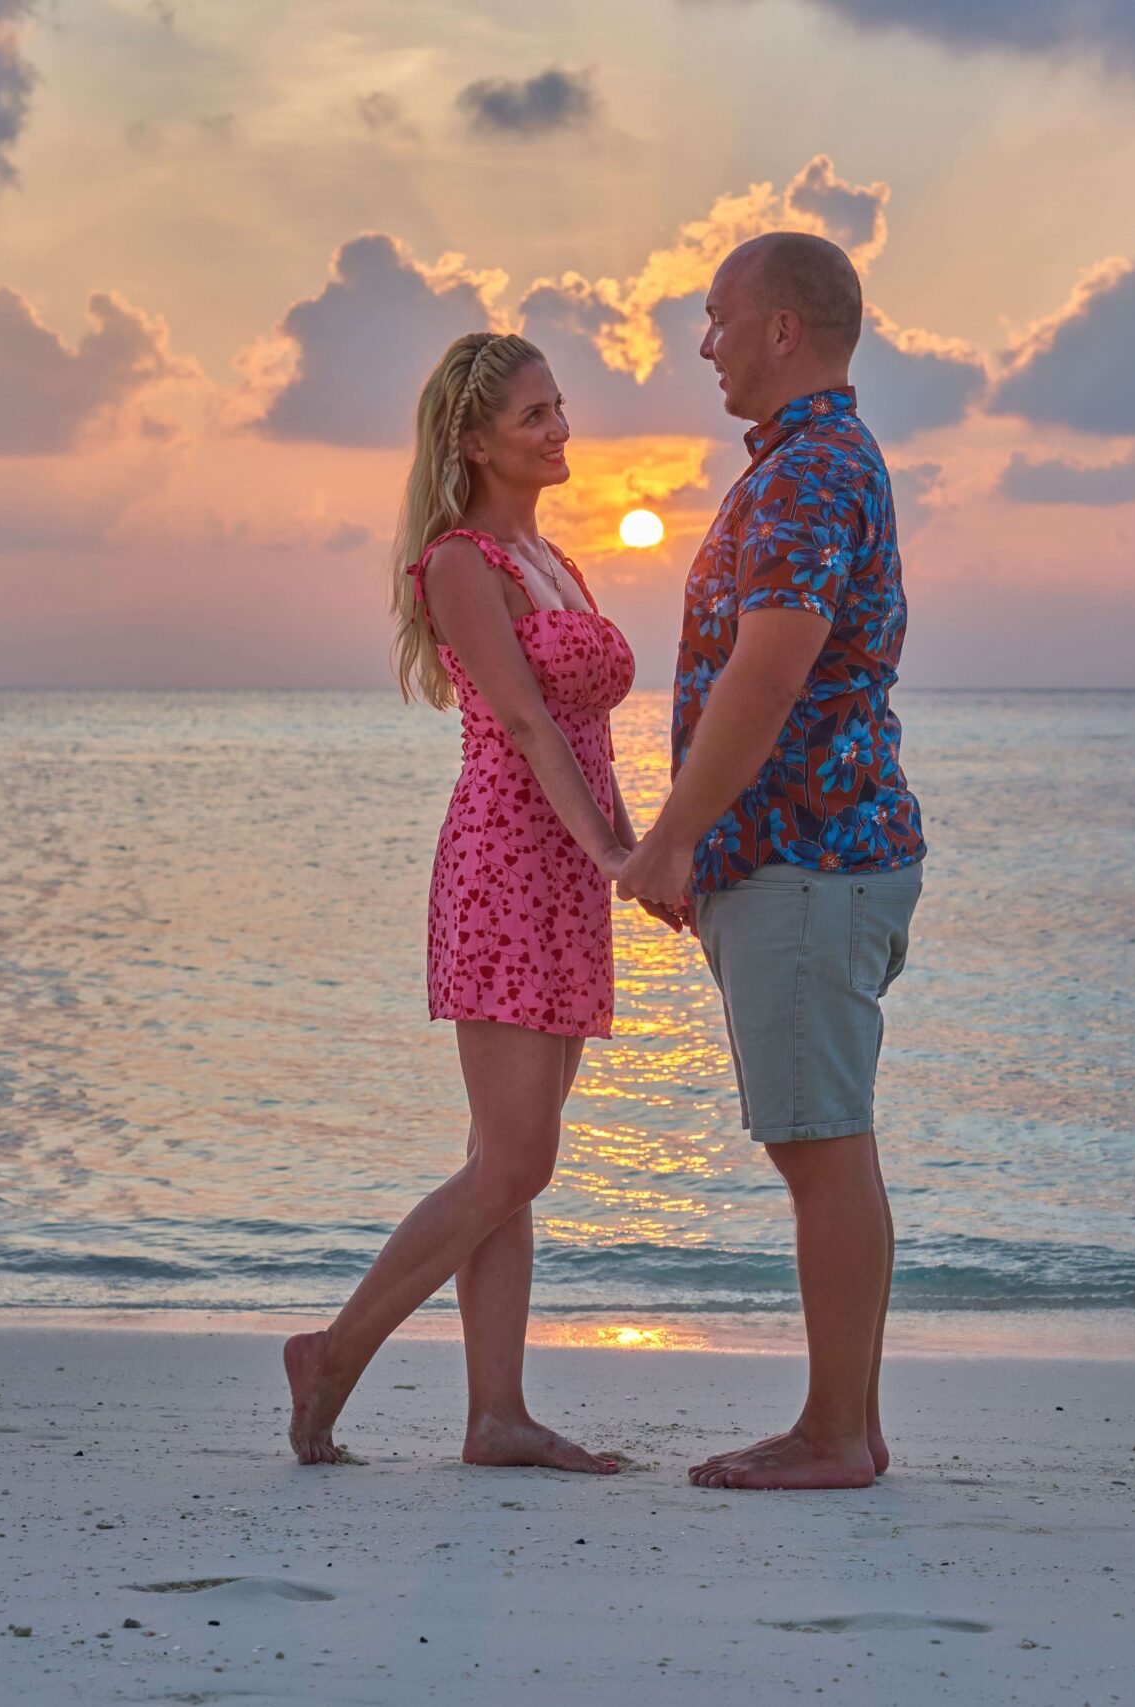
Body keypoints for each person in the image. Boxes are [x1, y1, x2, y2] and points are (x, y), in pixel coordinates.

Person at [284, 330, 640, 1474]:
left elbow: (586, 737)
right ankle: (333, 1354)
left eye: (558, 407)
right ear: (472, 438)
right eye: (534, 414)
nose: (558, 429)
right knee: (514, 1161)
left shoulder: (554, 559)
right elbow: (530, 724)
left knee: (505, 1155)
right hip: (505, 862)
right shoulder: (458, 563)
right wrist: (608, 852)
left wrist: (634, 851)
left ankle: (497, 1415)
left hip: (568, 860)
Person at [616, 232, 927, 1491]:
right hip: (819, 855)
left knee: (821, 1144)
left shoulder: (809, 471)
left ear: (781, 330)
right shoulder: (818, 462)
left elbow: (771, 665)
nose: (705, 343)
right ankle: (847, 1421)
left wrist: (673, 835)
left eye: (715, 317)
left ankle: (833, 1435)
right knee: (825, 1141)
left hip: (810, 857)